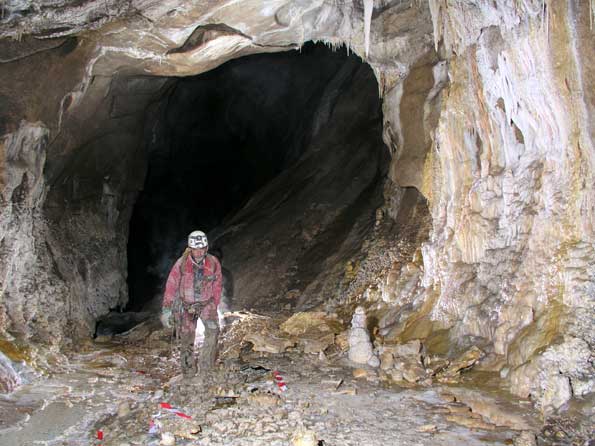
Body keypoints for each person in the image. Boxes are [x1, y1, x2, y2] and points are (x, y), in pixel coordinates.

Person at [161, 230, 222, 376]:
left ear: (206, 248)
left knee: (213, 331)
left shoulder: (213, 262)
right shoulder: (181, 264)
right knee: (187, 338)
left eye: (202, 248)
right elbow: (171, 285)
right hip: (186, 306)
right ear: (190, 248)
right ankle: (188, 372)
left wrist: (215, 305)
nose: (199, 252)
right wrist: (167, 309)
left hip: (207, 304)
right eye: (195, 249)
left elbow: (217, 285)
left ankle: (206, 367)